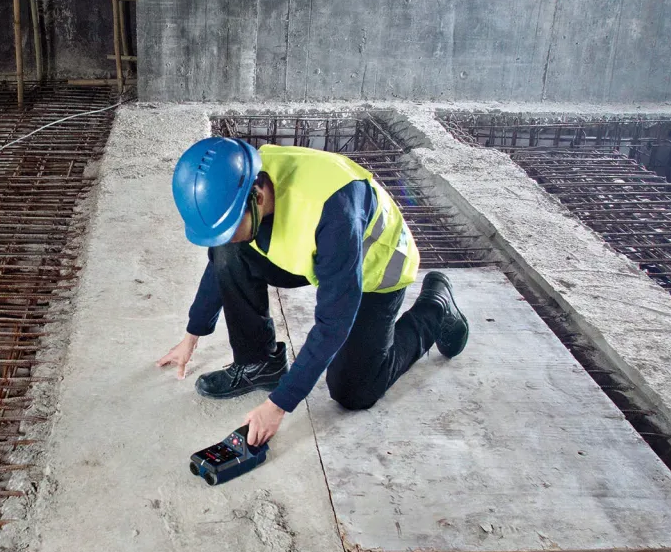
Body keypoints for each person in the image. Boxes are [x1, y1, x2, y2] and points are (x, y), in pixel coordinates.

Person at [156, 136, 469, 446]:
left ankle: (435, 309)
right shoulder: (243, 178)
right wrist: (191, 334)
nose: (227, 237)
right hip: (319, 256)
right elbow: (220, 260)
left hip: (376, 270)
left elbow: (334, 323)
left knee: (353, 391)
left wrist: (278, 405)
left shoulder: (333, 213)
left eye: (229, 228)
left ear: (257, 197)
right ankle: (260, 363)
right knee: (230, 252)